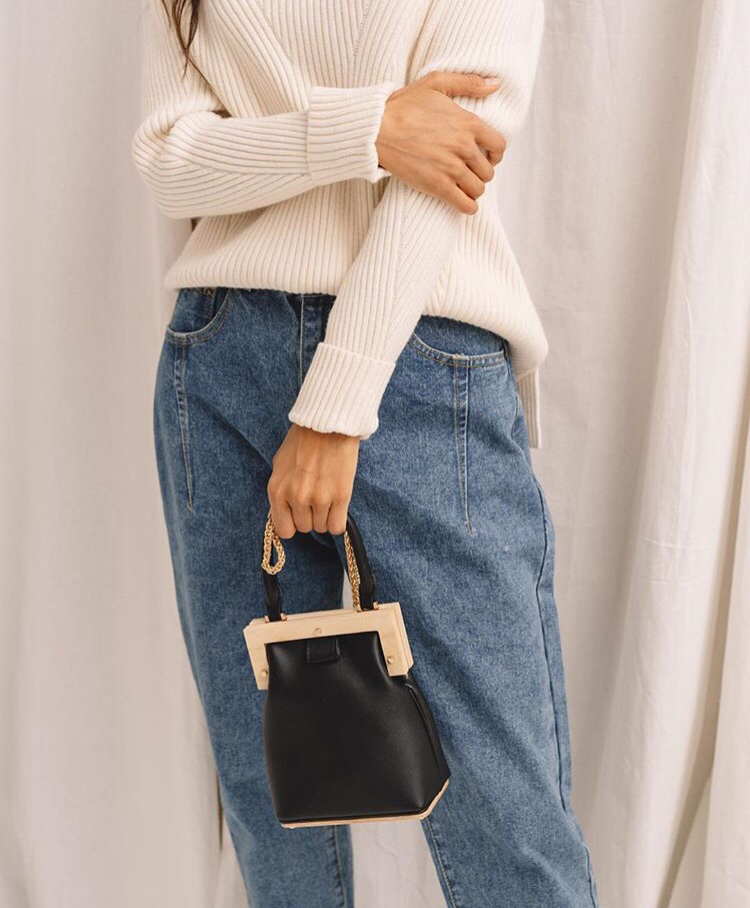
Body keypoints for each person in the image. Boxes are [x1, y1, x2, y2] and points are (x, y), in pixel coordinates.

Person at [132, 0, 600, 905]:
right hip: (218, 352)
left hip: (421, 360)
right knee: (273, 802)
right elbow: (172, 164)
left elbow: (453, 161)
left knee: (507, 808)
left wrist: (335, 409)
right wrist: (369, 130)